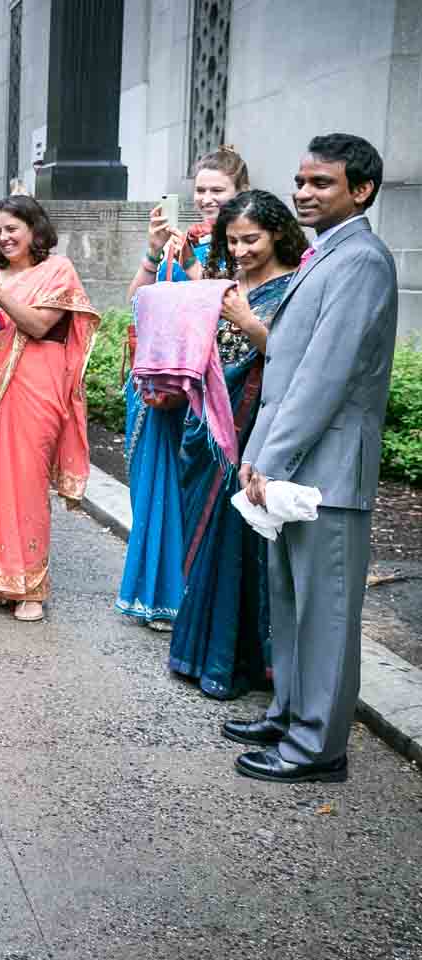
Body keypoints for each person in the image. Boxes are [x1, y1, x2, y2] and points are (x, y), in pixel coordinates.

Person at [227, 134, 398, 784]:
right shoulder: (324, 255)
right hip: (292, 466)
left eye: (321, 183)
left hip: (326, 474)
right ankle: (289, 712)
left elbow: (324, 376)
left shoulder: (362, 261)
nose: (303, 192)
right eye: (300, 180)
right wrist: (262, 455)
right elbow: (290, 364)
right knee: (292, 604)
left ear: (361, 190)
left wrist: (269, 454)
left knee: (326, 615)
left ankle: (316, 748)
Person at [169, 191, 304, 699]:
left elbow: (298, 358)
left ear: (277, 235)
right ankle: (197, 650)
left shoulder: (294, 286)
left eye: (252, 239)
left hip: (251, 428)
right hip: (206, 422)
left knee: (237, 538)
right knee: (204, 536)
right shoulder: (223, 282)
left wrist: (246, 322)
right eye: (232, 240)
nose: (242, 250)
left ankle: (236, 661)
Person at [117, 147, 251, 631]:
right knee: (156, 486)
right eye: (201, 190)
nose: (208, 199)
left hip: (209, 386)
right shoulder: (180, 237)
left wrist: (193, 265)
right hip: (159, 382)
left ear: (240, 192)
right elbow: (136, 302)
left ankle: (192, 598)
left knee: (193, 488)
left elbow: (229, 309)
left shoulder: (244, 241)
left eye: (219, 190)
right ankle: (161, 594)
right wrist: (155, 253)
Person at [0, 196, 99, 623]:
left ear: (35, 230)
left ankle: (30, 587)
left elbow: (37, 325)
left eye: (12, 228)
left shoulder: (57, 270)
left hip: (35, 386)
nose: (4, 237)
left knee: (25, 486)